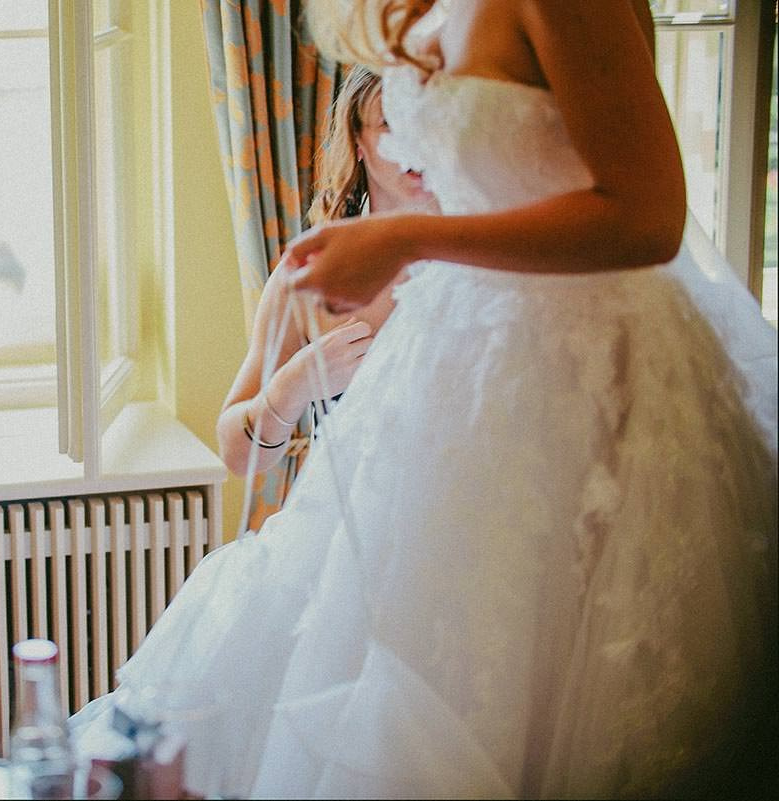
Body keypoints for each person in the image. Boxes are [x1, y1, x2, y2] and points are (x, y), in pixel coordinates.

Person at [72, 1, 778, 798]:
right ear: (357, 142)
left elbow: (647, 214)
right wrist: (296, 383)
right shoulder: (324, 255)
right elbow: (236, 446)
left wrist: (407, 238)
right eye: (386, 129)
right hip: (458, 378)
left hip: (575, 376)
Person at [217, 65, 438, 481]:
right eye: (392, 121)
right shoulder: (312, 276)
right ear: (357, 141)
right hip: (356, 511)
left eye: (427, 117)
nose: (415, 138)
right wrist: (293, 386)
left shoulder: (494, 259)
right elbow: (236, 455)